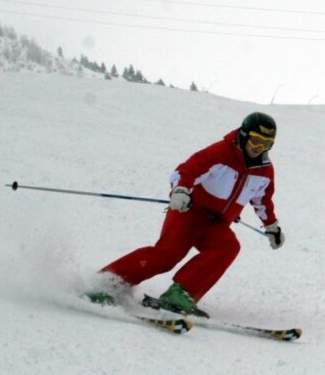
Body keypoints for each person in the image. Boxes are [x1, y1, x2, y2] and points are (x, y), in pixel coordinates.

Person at [85, 112, 285, 317]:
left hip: (216, 224)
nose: (259, 147)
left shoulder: (265, 171)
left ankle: (181, 294)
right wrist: (180, 191)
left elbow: (262, 200)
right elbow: (186, 171)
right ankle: (108, 282)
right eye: (256, 140)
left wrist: (271, 226)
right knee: (168, 255)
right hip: (188, 211)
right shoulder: (221, 152)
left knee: (227, 247)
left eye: (267, 143)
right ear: (244, 135)